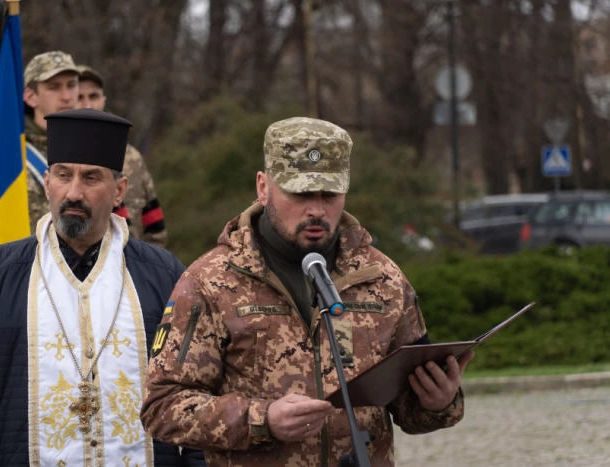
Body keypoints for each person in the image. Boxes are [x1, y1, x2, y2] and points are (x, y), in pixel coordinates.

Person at [141, 117, 474, 466]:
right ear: (263, 186)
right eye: (300, 193)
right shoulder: (209, 282)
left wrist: (438, 402)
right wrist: (262, 419)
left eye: (329, 195)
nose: (316, 210)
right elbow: (162, 407)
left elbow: (408, 408)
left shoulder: (382, 278)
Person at [0, 109, 204, 466]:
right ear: (46, 182)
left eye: (90, 178)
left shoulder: (166, 277)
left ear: (119, 191)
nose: (74, 192)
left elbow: (199, 392)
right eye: (63, 175)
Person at [0, 50, 80, 256]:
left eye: (71, 86)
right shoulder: (11, 162)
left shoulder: (91, 149)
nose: (66, 96)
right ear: (30, 96)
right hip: (29, 278)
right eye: (54, 87)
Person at [77, 64, 167, 247]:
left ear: (103, 99)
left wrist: (145, 267)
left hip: (131, 266)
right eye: (79, 97)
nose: (87, 104)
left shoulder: (131, 158)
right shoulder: (54, 157)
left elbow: (155, 225)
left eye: (93, 96)